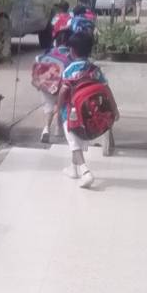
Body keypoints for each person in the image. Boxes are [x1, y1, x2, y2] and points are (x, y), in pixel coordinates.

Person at [57, 28, 105, 187]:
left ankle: (85, 172)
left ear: (71, 51)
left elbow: (63, 91)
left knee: (73, 143)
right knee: (76, 140)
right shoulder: (95, 70)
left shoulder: (69, 71)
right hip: (89, 112)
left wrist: (58, 110)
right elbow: (105, 88)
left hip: (71, 113)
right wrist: (114, 110)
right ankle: (73, 168)